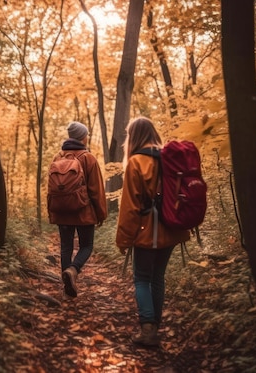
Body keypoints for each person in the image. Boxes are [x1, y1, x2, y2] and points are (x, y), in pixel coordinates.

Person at [116, 116, 190, 347]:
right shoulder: (170, 158)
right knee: (157, 277)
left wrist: (123, 240)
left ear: (134, 137)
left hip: (146, 230)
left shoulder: (137, 162)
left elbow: (130, 207)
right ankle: (154, 328)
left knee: (141, 279)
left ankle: (148, 328)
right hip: (171, 228)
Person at [48, 121, 107, 298]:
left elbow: (51, 189)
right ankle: (73, 271)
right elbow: (96, 189)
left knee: (65, 247)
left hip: (62, 211)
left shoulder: (57, 158)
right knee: (86, 246)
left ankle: (67, 289)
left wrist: (52, 211)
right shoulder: (88, 158)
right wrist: (101, 213)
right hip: (84, 212)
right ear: (83, 137)